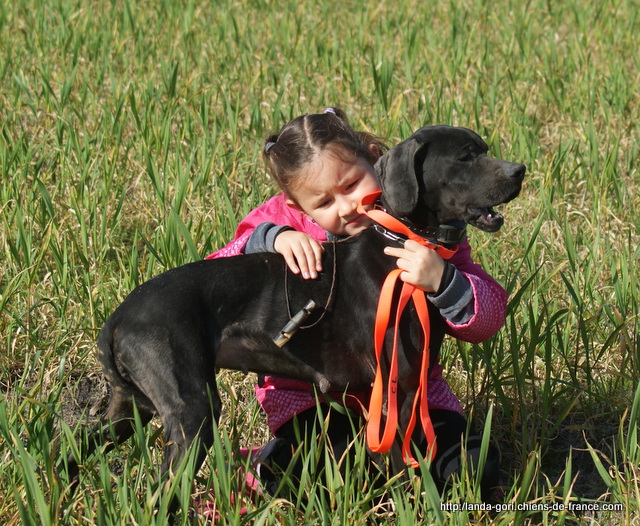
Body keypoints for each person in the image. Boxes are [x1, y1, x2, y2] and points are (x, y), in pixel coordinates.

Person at [206, 107, 504, 501]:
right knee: (320, 470)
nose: (345, 207)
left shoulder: (421, 222)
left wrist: (445, 281)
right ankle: (265, 466)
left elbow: (490, 316)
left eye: (350, 185)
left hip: (414, 398)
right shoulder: (284, 222)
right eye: (324, 202)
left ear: (373, 158)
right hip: (310, 397)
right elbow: (213, 280)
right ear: (297, 207)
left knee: (471, 468)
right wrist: (268, 240)